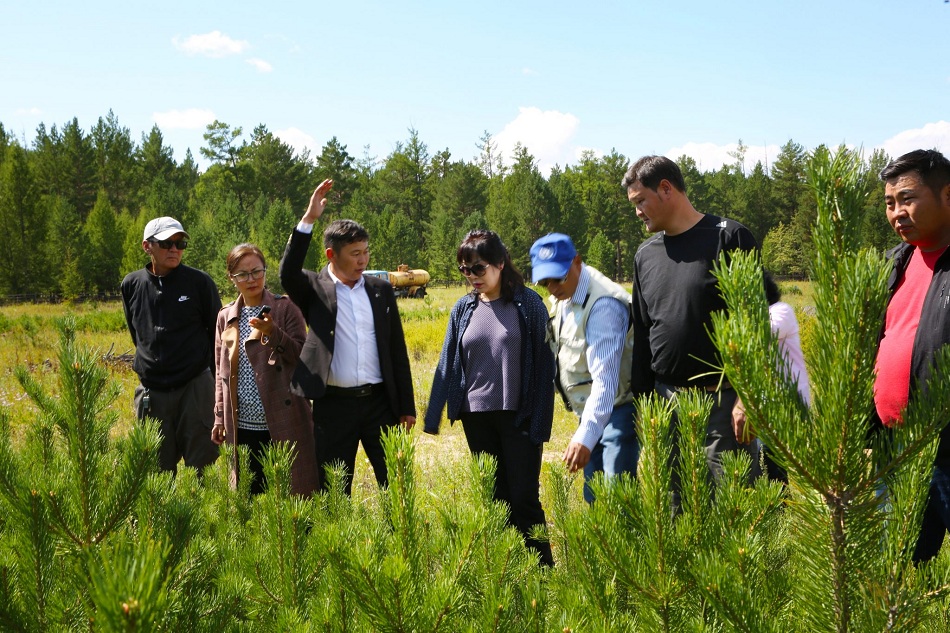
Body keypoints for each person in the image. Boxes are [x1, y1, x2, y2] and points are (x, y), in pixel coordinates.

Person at [623, 155, 758, 496]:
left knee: (731, 504)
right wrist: (644, 405)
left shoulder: (731, 238)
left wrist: (748, 398)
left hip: (722, 405)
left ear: (666, 188)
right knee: (673, 506)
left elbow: (755, 325)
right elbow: (643, 331)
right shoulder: (646, 255)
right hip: (665, 404)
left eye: (641, 201)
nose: (638, 212)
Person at [425, 230, 556, 566]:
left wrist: (541, 423)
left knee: (524, 497)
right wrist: (433, 414)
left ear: (500, 263)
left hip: (520, 417)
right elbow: (447, 360)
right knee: (495, 499)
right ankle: (506, 571)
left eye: (478, 269)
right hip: (476, 417)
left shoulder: (529, 305)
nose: (472, 277)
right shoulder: (463, 308)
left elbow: (545, 369)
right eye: (464, 270)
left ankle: (543, 573)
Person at [279, 179, 416, 496]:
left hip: (380, 404)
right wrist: (308, 220)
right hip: (333, 407)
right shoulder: (314, 290)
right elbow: (288, 272)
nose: (363, 260)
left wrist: (406, 405)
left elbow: (397, 349)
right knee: (333, 493)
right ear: (331, 254)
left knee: (397, 488)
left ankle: (401, 544)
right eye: (355, 254)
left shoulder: (379, 291)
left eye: (366, 252)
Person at [874, 149, 950, 562]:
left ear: (948, 196)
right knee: (898, 572)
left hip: (947, 451)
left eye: (908, 199)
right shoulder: (895, 263)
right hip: (896, 450)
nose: (897, 213)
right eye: (889, 203)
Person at [529, 233, 638, 503]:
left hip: (617, 413)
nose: (552, 287)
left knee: (617, 500)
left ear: (577, 261)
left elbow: (605, 381)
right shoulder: (566, 294)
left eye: (558, 277)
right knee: (595, 499)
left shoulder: (603, 306)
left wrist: (585, 437)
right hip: (592, 412)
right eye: (544, 282)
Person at [211, 243, 319, 496]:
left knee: (292, 495)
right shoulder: (225, 316)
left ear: (265, 271)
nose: (252, 280)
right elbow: (220, 373)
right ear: (231, 278)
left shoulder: (285, 309)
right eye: (243, 275)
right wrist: (218, 416)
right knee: (248, 497)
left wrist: (273, 333)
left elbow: (303, 357)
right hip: (241, 425)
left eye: (257, 271)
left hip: (284, 421)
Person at [121, 216, 221, 474]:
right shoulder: (131, 285)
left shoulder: (199, 283)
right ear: (147, 246)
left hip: (195, 387)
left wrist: (215, 385)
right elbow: (138, 334)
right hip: (152, 392)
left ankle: (204, 516)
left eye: (180, 244)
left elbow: (218, 335)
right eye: (167, 243)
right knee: (156, 470)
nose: (175, 249)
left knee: (203, 469)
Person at [733, 271, 811, 483]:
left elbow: (764, 335)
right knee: (765, 460)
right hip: (766, 401)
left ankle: (781, 506)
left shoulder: (781, 311)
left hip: (789, 401)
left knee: (773, 462)